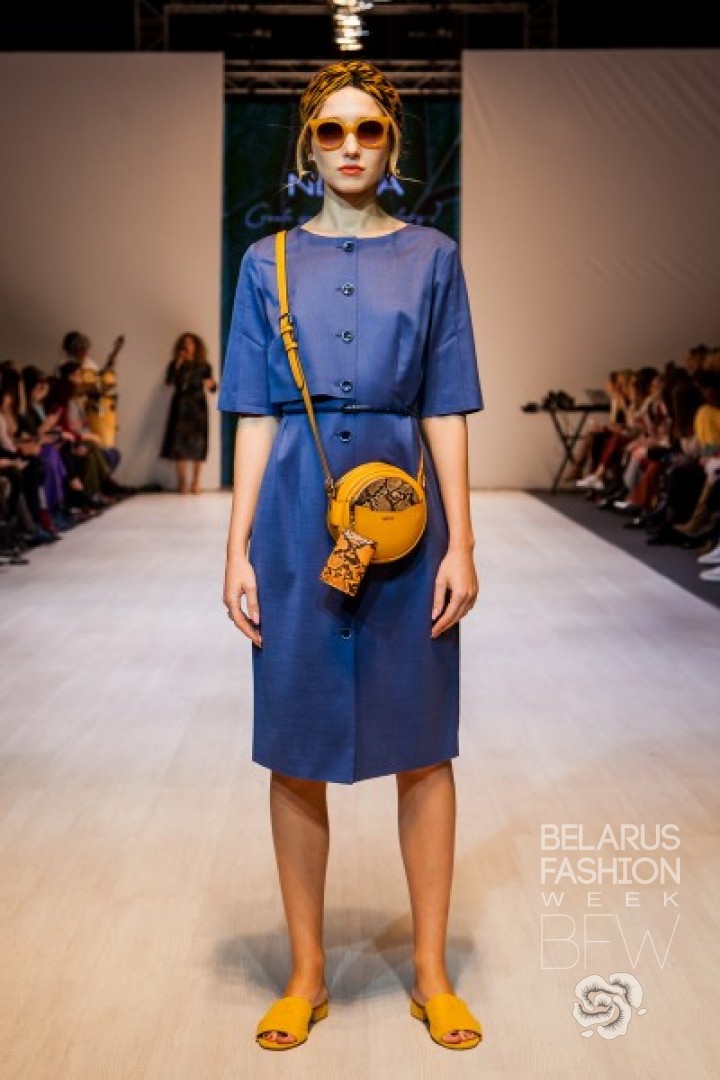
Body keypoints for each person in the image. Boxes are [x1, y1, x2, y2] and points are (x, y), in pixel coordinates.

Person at [219, 60, 485, 1052]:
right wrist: (237, 546)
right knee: (294, 747)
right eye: (331, 131)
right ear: (308, 145)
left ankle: (430, 972)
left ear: (392, 144)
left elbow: (447, 403)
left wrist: (464, 541)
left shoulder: (433, 257)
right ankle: (306, 973)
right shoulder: (266, 263)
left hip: (407, 521)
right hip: (298, 518)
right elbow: (253, 412)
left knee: (425, 742)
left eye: (368, 129)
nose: (350, 146)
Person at [160, 332, 217, 493]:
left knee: (198, 445)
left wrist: (210, 384)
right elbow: (169, 382)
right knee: (179, 445)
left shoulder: (203, 365)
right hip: (180, 407)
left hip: (197, 408)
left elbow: (213, 387)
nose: (187, 346)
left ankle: (196, 482)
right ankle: (182, 482)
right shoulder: (176, 364)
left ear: (196, 346)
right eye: (185, 343)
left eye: (190, 343)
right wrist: (178, 364)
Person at [61, 330, 125, 449]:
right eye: (80, 350)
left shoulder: (91, 364)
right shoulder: (65, 364)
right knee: (81, 437)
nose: (84, 353)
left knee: (102, 438)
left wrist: (107, 370)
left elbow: (99, 381)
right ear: (73, 351)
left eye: (85, 350)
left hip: (91, 404)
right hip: (73, 403)